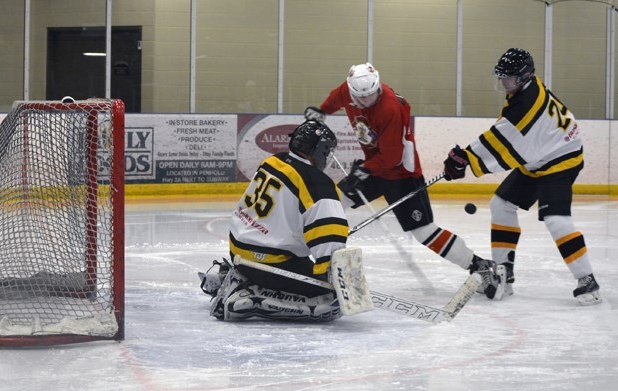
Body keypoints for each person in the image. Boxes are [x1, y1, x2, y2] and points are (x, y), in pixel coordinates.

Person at [304, 62, 500, 298]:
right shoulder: (350, 90)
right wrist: (322, 111)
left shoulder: (389, 108)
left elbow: (392, 157)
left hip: (402, 174)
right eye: (361, 97)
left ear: (377, 85)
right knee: (334, 201)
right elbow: (337, 97)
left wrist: (364, 169)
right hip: (374, 167)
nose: (367, 101)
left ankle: (479, 265)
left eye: (371, 95)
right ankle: (319, 260)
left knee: (423, 231)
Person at [442, 48, 602, 305]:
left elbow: (503, 137)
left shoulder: (528, 104)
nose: (503, 82)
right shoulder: (525, 89)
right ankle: (504, 271)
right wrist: (467, 157)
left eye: (508, 78)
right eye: (501, 77)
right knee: (501, 205)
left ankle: (587, 280)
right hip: (540, 157)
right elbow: (508, 132)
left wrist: (467, 158)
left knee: (556, 220)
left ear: (524, 76)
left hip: (562, 160)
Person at [199, 120, 350, 321]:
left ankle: (233, 276)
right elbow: (330, 236)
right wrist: (335, 277)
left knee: (297, 263)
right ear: (320, 151)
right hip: (269, 265)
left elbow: (279, 214)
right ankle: (250, 299)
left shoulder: (273, 160)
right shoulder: (317, 182)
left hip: (238, 252)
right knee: (331, 300)